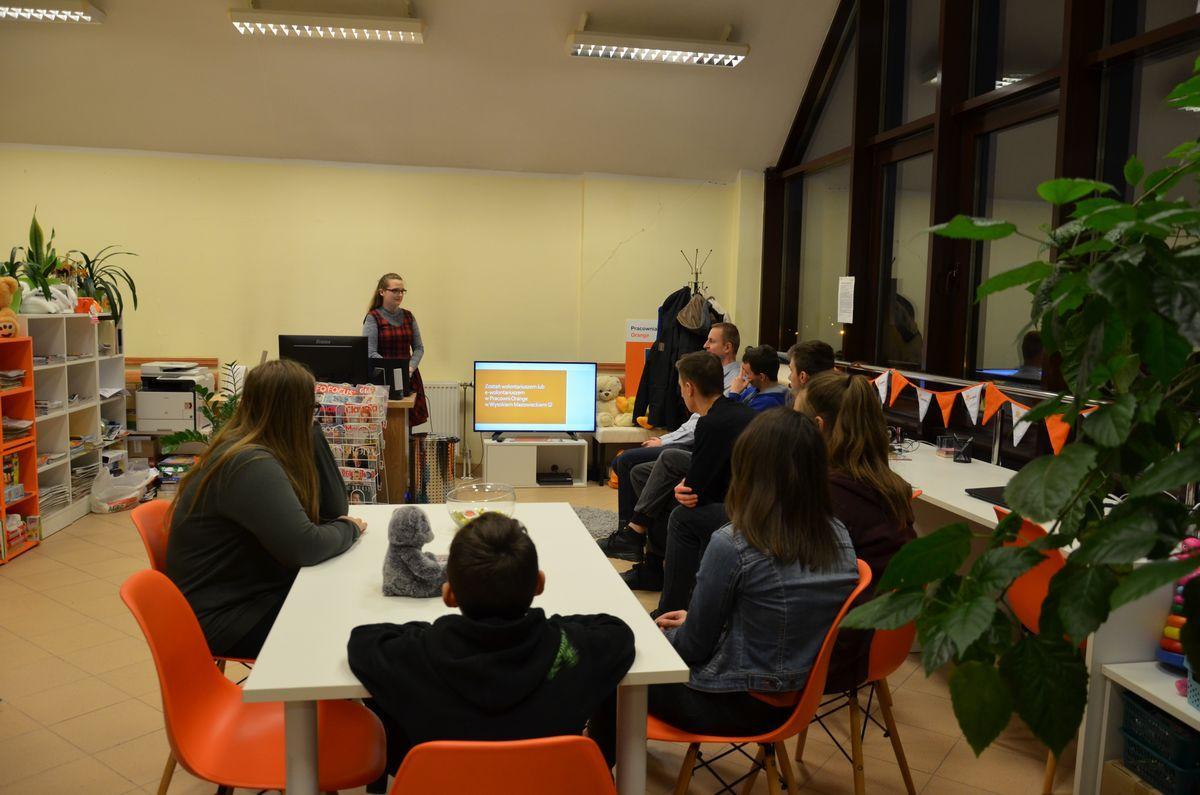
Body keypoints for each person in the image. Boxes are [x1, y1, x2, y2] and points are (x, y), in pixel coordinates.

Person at [589, 409, 859, 765]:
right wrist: (696, 620)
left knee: (612, 663)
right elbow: (782, 613)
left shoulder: (735, 542)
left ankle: (591, 773)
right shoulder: (838, 535)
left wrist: (655, 637)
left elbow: (693, 648)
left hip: (734, 702)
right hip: (800, 697)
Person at [348, 514, 635, 787]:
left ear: (449, 595)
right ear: (539, 584)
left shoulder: (416, 653)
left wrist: (432, 632)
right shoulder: (570, 647)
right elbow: (616, 631)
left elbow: (363, 640)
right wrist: (549, 625)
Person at [165, 359, 366, 659]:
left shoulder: (259, 448)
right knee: (348, 630)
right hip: (226, 618)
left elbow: (334, 508)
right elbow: (305, 546)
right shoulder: (248, 463)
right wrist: (349, 528)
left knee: (346, 606)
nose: (314, 415)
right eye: (311, 408)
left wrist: (312, 431)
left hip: (250, 594)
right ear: (292, 412)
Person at [796, 370, 917, 691]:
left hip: (834, 654)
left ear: (817, 427)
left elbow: (791, 584)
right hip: (880, 643)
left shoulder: (828, 496)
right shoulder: (889, 487)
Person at [599, 351, 755, 591]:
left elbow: (696, 490)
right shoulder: (729, 410)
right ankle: (636, 536)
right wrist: (685, 483)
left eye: (681, 386)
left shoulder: (710, 423)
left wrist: (684, 485)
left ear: (690, 388)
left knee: (662, 499)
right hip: (733, 481)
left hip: (736, 497)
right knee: (646, 471)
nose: (680, 393)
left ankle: (644, 553)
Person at [611, 322, 740, 528]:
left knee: (628, 461)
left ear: (728, 347)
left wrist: (664, 441)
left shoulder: (731, 380)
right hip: (690, 440)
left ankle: (632, 529)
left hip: (695, 446)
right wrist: (665, 439)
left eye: (711, 341)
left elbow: (702, 424)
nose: (705, 345)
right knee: (627, 463)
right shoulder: (712, 372)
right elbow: (695, 420)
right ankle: (636, 528)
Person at [363, 272, 429, 426]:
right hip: (382, 380)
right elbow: (370, 352)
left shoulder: (408, 316)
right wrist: (392, 371)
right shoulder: (373, 317)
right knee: (385, 428)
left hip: (408, 376)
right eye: (395, 291)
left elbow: (419, 348)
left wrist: (410, 368)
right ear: (382, 292)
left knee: (407, 430)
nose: (399, 294)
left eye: (402, 291)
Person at [728, 345, 789, 410]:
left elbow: (731, 414)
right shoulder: (754, 389)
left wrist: (734, 393)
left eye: (747, 373)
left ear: (762, 377)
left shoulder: (768, 402)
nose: (743, 376)